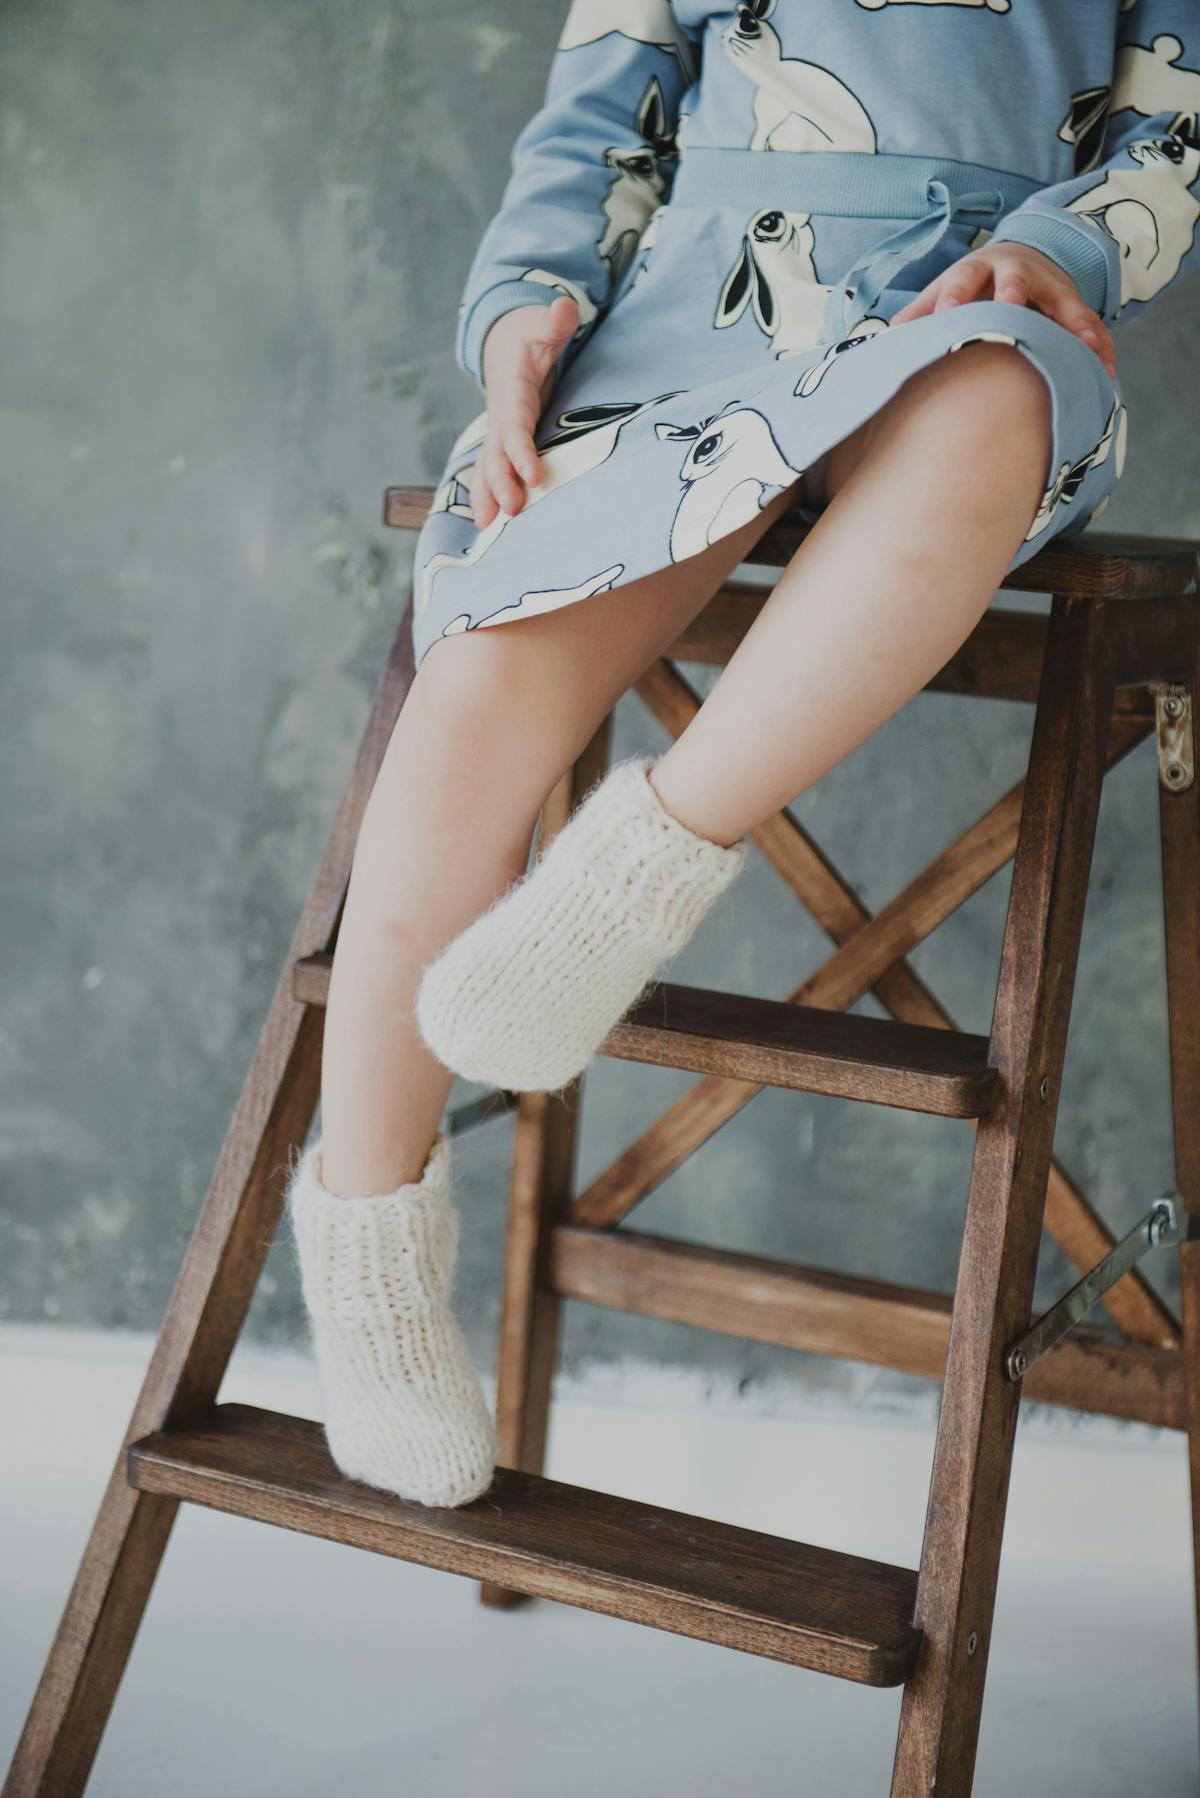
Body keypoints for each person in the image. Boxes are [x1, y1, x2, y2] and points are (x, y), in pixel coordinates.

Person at [286, 0, 1200, 1507]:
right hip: (693, 306)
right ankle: (371, 1242)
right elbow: (601, 105)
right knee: (480, 691)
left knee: (996, 406)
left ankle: (643, 862)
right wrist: (526, 302)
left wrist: (1064, 252)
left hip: (975, 295)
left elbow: (1171, 126)